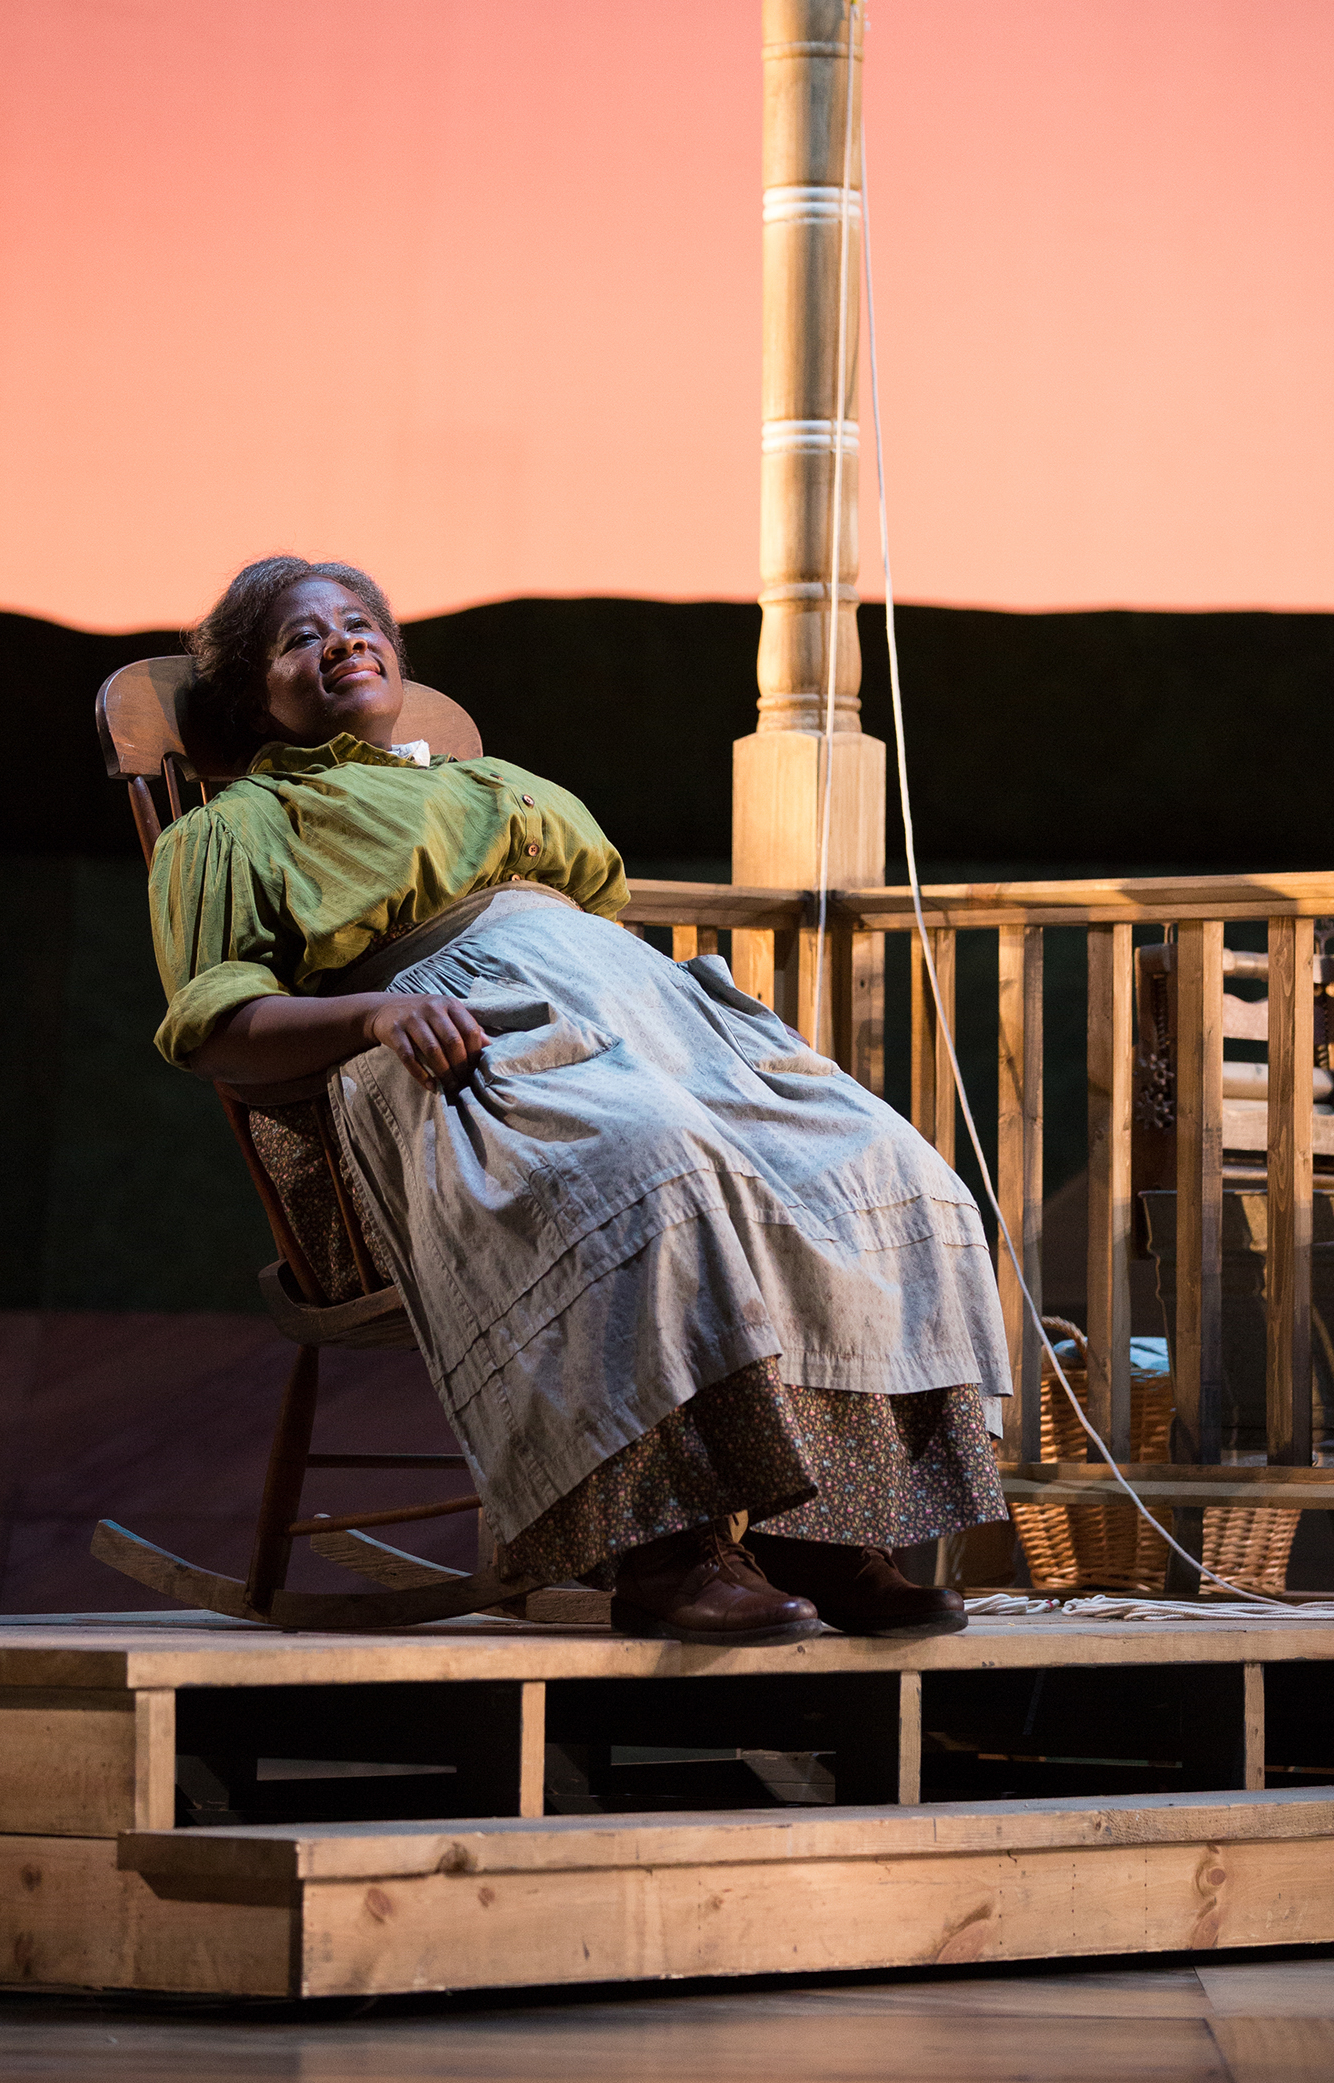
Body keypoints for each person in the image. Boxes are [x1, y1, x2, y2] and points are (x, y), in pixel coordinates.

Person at [150, 555, 1012, 1643]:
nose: (342, 641)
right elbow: (216, 1024)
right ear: (249, 694)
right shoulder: (240, 828)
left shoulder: (491, 784)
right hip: (463, 1049)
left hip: (635, 1023)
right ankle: (664, 1550)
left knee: (880, 1160)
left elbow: (588, 911)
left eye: (360, 622)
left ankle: (825, 1526)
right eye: (299, 636)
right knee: (653, 1164)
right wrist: (370, 1016)